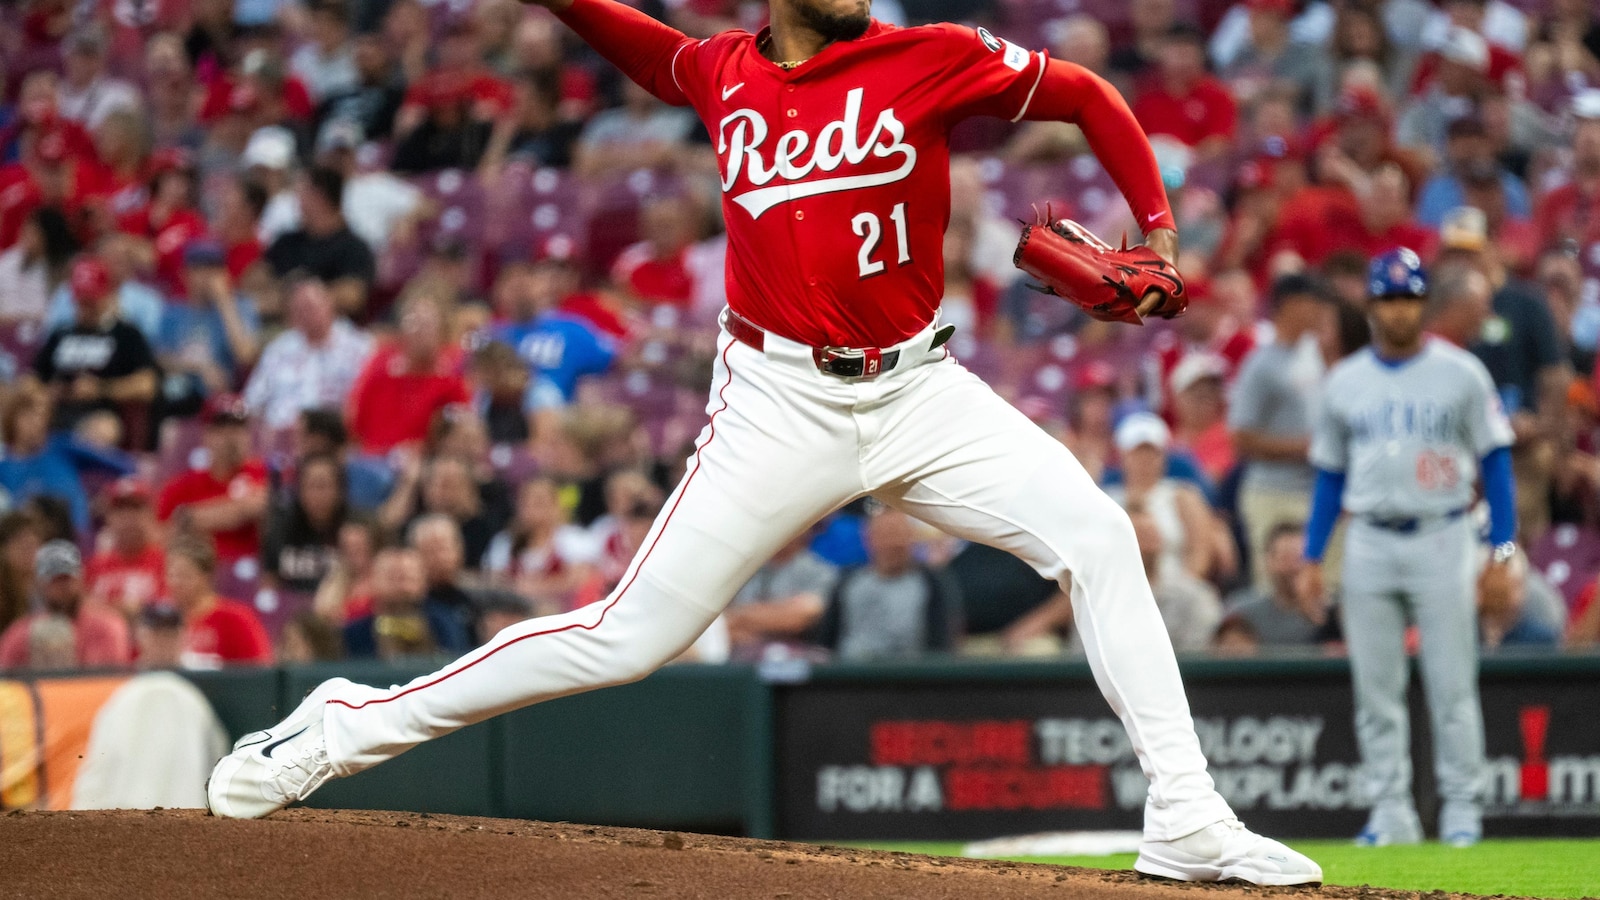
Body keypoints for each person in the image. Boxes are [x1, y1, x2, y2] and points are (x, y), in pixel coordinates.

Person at [206, 0, 1322, 885]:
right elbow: (623, 33)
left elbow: (1087, 94)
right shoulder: (719, 73)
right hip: (777, 403)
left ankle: (1187, 816)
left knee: (1099, 535)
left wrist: (1160, 227)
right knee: (627, 637)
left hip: (921, 390)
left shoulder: (924, 56)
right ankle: (343, 728)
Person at [1300, 248, 1517, 848]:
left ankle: (1462, 812)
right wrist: (1313, 556)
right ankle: (1390, 813)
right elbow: (1329, 477)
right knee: (1376, 691)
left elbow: (1496, 463)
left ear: (1423, 304)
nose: (1398, 309)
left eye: (1408, 298)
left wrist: (1501, 551)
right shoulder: (1345, 381)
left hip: (1443, 532)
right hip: (1369, 537)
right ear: (1371, 305)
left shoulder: (1461, 372)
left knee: (1452, 685)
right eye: (1389, 298)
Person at [1229, 274, 1334, 589]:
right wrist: (1301, 448)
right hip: (1271, 492)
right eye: (1310, 303)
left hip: (1312, 490)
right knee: (1274, 585)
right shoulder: (1261, 364)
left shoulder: (1315, 355)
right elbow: (1240, 436)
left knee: (1318, 583)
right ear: (1288, 306)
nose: (1317, 310)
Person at [31, 256, 159, 447]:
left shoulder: (125, 334)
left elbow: (147, 384)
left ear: (106, 296)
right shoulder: (61, 333)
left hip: (100, 412)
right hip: (53, 411)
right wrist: (45, 393)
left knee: (101, 430)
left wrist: (101, 388)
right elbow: (33, 378)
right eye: (80, 302)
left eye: (90, 302)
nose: (84, 309)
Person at [815, 508, 959, 660]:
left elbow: (944, 642)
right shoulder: (848, 582)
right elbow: (826, 642)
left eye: (899, 534)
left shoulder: (932, 583)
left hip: (912, 674)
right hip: (852, 674)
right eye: (886, 535)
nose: (893, 543)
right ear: (868, 538)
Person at [242, 276, 375, 436]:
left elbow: (369, 404)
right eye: (299, 310)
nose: (306, 315)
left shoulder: (360, 347)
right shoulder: (278, 349)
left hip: (335, 437)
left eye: (311, 307)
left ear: (329, 305)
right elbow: (252, 402)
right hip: (280, 440)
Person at [346, 288, 471, 454]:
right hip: (372, 459)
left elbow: (455, 437)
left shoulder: (451, 383)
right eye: (414, 325)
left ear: (441, 333)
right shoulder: (380, 373)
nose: (421, 333)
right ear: (401, 332)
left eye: (428, 326)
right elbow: (357, 425)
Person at [0, 384, 135, 534]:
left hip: (75, 537)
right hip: (29, 544)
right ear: (12, 419)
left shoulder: (64, 447)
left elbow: (127, 467)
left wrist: (107, 497)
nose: (37, 422)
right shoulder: (3, 468)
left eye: (42, 415)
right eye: (28, 415)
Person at [156, 393, 271, 567]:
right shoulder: (181, 486)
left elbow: (265, 504)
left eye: (238, 427)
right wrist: (239, 509)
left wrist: (190, 518)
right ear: (206, 434)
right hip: (200, 573)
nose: (231, 435)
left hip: (251, 571)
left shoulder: (264, 473)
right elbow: (162, 537)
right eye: (221, 427)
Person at [0, 540, 131, 671]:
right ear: (39, 584)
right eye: (54, 580)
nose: (62, 587)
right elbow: (5, 680)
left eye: (67, 578)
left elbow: (109, 679)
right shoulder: (20, 634)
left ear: (80, 579)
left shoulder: (106, 628)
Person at [263, 167, 376, 317]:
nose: (297, 203)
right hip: (279, 327)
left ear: (319, 196)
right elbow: (257, 282)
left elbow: (353, 295)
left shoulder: (354, 248)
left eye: (301, 194)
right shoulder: (287, 242)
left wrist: (301, 299)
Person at [342, 546, 472, 660]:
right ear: (374, 580)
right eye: (393, 578)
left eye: (408, 578)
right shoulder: (353, 633)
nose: (402, 586)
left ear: (423, 581)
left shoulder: (445, 624)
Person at [723, 530, 837, 660]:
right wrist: (777, 613)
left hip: (799, 662)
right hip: (740, 661)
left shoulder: (818, 570)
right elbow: (723, 626)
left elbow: (798, 619)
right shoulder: (744, 571)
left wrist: (741, 616)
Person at [164, 536, 273, 669]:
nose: (176, 583)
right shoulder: (163, 620)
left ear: (206, 577)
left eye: (184, 575)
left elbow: (259, 668)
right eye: (172, 575)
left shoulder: (236, 618)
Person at [1221, 521, 1335, 647]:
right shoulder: (1242, 612)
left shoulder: (1332, 613)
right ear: (1268, 561)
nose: (1294, 567)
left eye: (1300, 558)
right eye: (1286, 558)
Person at [261, 452, 348, 595]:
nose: (317, 495)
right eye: (310, 486)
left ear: (340, 489)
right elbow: (270, 580)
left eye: (323, 486)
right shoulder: (281, 527)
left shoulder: (354, 527)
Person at [84, 477, 167, 616]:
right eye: (120, 509)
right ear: (109, 517)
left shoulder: (167, 564)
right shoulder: (93, 567)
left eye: (136, 508)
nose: (128, 518)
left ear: (151, 514)